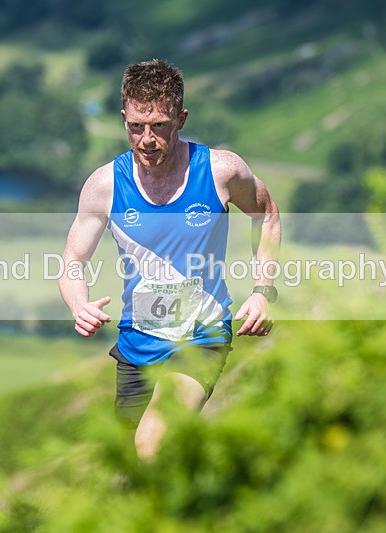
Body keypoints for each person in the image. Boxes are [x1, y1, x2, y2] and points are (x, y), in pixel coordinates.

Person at [59, 59, 280, 459]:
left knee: (150, 444)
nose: (146, 139)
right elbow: (73, 258)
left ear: (180, 119)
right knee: (126, 468)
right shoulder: (105, 185)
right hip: (137, 343)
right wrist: (79, 305)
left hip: (203, 337)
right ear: (123, 117)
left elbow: (266, 215)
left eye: (159, 126)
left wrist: (263, 291)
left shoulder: (220, 171)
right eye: (135, 127)